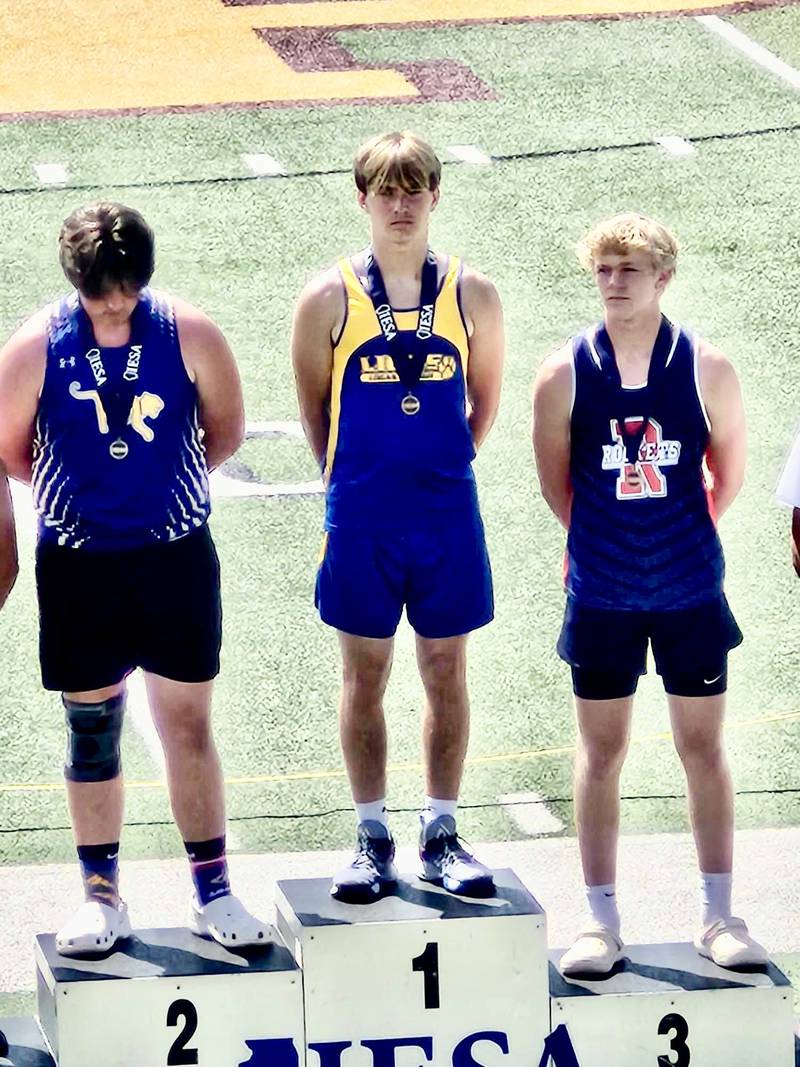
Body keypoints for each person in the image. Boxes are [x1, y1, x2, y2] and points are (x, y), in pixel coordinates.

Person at [0, 202, 271, 955]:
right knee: (93, 733)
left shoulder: (189, 331)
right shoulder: (35, 345)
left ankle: (213, 890)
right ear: (75, 282)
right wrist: (81, 502)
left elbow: (226, 430)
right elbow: (14, 450)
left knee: (188, 724)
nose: (114, 303)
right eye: (98, 291)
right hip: (80, 562)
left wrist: (159, 497)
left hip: (173, 554)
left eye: (125, 288)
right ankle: (100, 896)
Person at [532, 213, 766, 974]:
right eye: (602, 268)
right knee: (601, 753)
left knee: (703, 747)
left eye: (629, 269)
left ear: (664, 277)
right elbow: (557, 484)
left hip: (690, 587)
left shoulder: (707, 367)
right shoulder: (563, 372)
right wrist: (609, 543)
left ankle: (718, 914)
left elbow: (726, 475)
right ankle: (599, 922)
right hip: (601, 592)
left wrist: (672, 541)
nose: (613, 282)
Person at [292, 131, 504, 902]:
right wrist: (355, 478)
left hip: (446, 513)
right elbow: (316, 411)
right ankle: (371, 833)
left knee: (446, 669)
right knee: (365, 674)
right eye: (387, 190)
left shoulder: (470, 294)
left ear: (437, 196)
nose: (402, 204)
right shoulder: (327, 298)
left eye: (415, 188)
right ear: (363, 200)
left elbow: (484, 405)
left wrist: (438, 464)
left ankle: (441, 830)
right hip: (362, 518)